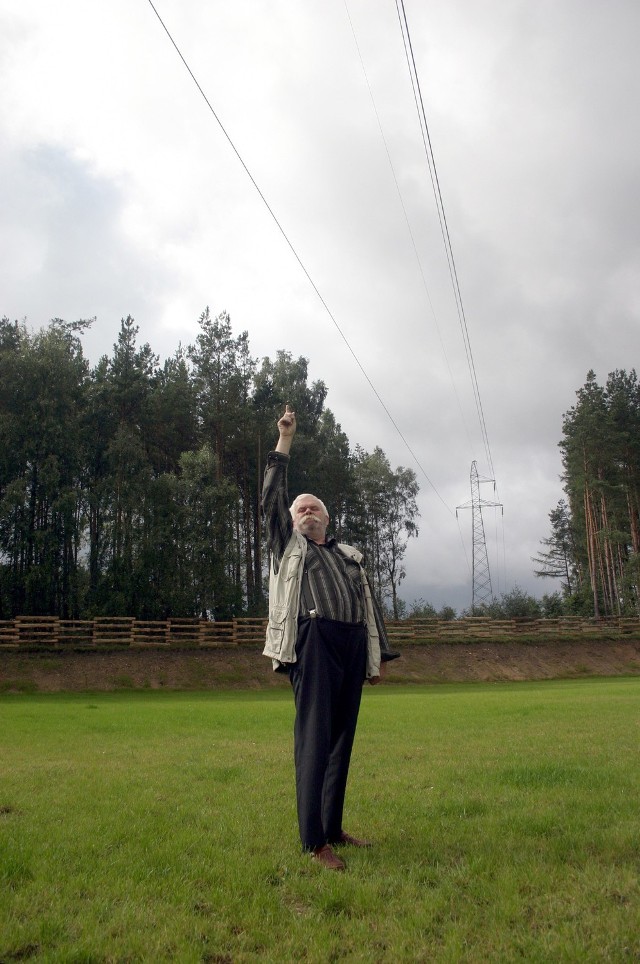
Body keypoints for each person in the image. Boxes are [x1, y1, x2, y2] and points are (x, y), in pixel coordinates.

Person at [262, 403, 399, 871]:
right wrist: (284, 442)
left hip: (351, 644)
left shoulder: (349, 555)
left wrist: (374, 660)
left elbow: (370, 609)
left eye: (313, 508)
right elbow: (272, 500)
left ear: (326, 517)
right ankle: (312, 840)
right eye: (300, 508)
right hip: (313, 642)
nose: (305, 512)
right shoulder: (287, 546)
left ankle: (333, 826)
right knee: (315, 741)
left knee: (342, 741)